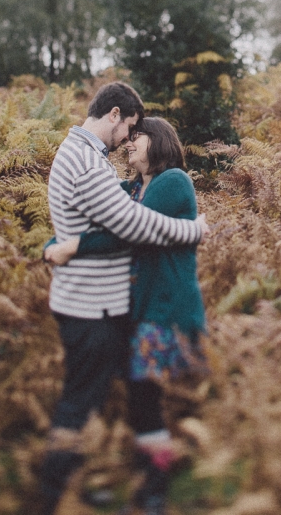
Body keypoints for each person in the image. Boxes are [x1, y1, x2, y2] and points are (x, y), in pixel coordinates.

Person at [38, 83, 209, 515]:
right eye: (129, 129)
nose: (129, 140)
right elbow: (121, 226)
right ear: (113, 114)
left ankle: (150, 486)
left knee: (138, 400)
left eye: (138, 135)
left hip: (158, 313)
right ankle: (57, 491)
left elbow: (124, 229)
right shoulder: (112, 174)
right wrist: (192, 230)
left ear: (159, 142)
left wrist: (70, 244)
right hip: (109, 309)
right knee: (102, 399)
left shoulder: (169, 182)